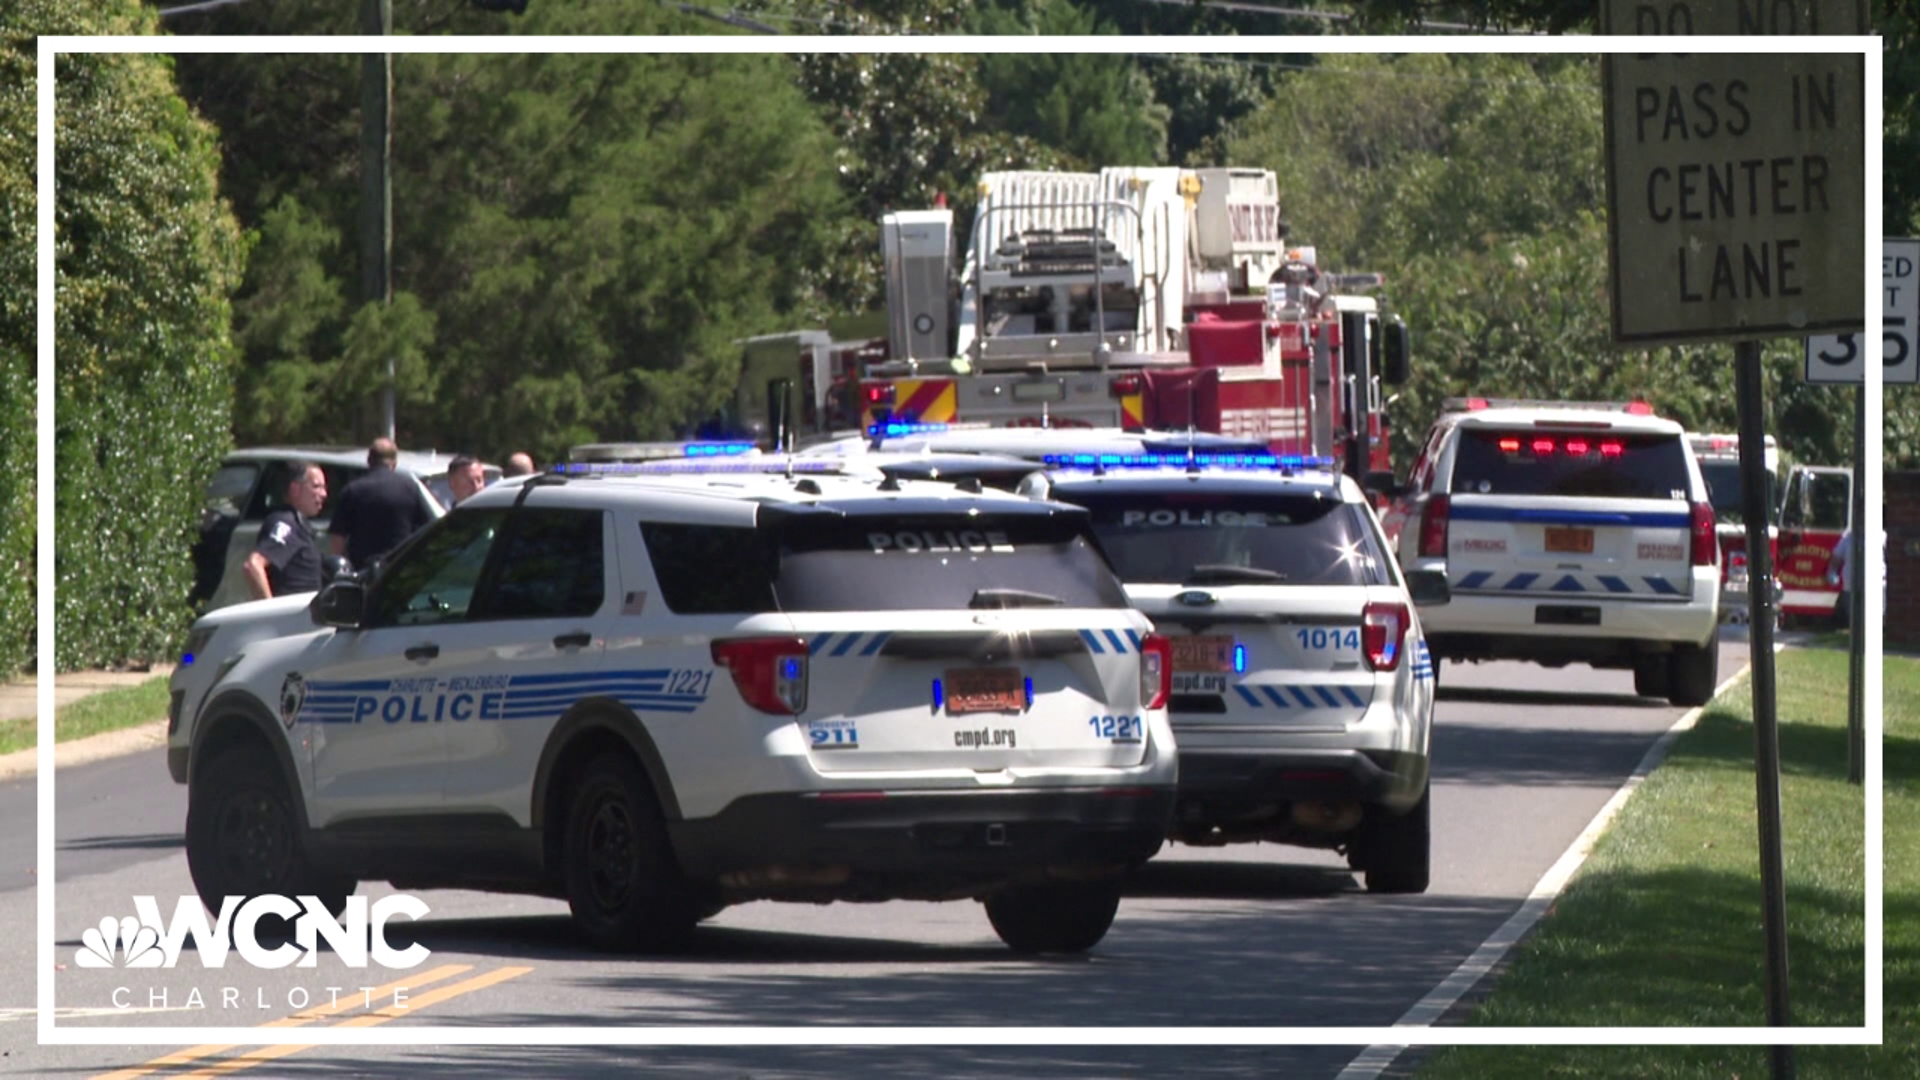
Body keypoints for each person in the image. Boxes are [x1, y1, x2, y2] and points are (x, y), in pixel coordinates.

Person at [328, 437, 433, 572]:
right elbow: (428, 529)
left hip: (363, 571)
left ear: (369, 461)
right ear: (394, 463)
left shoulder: (352, 490)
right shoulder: (410, 488)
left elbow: (338, 540)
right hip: (399, 568)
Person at [244, 461, 326, 600]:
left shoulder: (300, 526)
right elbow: (253, 565)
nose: (323, 494)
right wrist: (270, 612)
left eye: (324, 488)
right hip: (290, 617)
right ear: (295, 489)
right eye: (316, 487)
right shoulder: (286, 524)